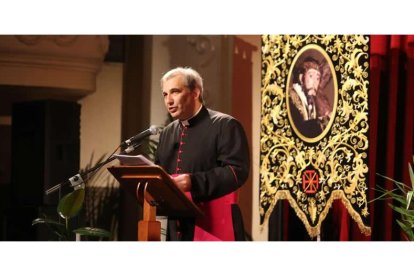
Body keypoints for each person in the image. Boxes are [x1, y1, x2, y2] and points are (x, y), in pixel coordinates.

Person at [155, 67, 250, 241]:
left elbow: (237, 171)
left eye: (175, 92)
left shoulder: (225, 125)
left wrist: (194, 182)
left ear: (195, 93)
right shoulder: (167, 133)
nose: (169, 100)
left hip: (214, 222)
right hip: (176, 226)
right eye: (165, 94)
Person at [289, 56, 332, 138]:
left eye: (318, 78)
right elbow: (299, 130)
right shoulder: (289, 97)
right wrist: (326, 120)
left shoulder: (311, 100)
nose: (315, 82)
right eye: (311, 76)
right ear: (302, 78)